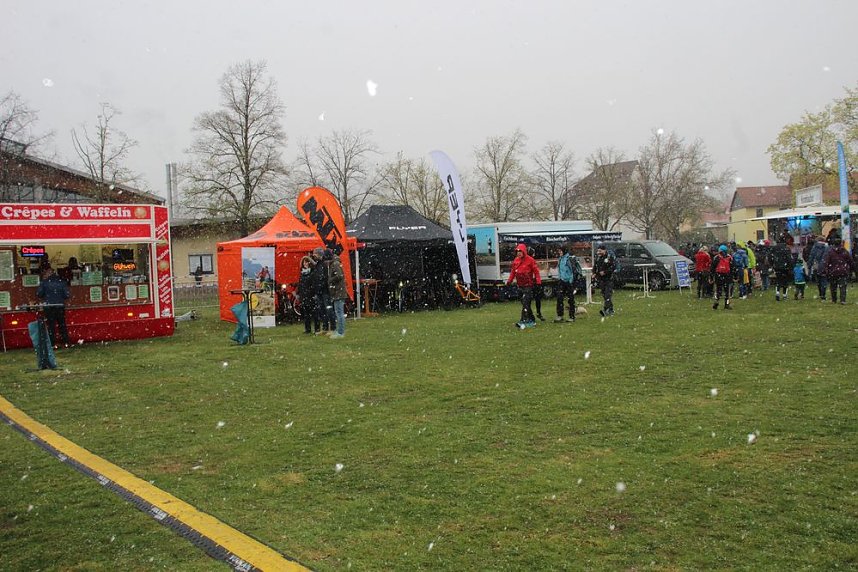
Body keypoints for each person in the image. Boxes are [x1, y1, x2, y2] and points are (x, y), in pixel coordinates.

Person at [506, 243, 541, 328]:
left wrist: (538, 281)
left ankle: (523, 320)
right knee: (525, 303)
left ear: (524, 251)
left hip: (528, 285)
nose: (519, 253)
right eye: (517, 251)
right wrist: (509, 281)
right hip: (520, 285)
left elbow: (536, 271)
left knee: (525, 302)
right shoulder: (516, 260)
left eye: (520, 251)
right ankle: (531, 318)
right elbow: (513, 272)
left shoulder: (530, 260)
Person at [36, 267, 71, 348]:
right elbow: (67, 295)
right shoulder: (62, 282)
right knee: (62, 325)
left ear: (48, 274)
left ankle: (52, 343)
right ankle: (66, 342)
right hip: (59, 306)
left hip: (49, 306)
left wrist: (47, 295)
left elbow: (39, 294)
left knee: (51, 326)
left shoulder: (44, 283)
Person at [554, 244, 580, 322]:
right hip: (561, 281)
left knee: (570, 299)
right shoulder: (560, 259)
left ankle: (571, 316)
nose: (559, 252)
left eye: (560, 251)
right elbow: (560, 269)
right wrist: (560, 278)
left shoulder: (569, 259)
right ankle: (560, 315)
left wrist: (571, 281)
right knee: (559, 298)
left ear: (564, 251)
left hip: (569, 282)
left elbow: (573, 271)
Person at [821, 238, 852, 304]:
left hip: (833, 271)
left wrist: (826, 270)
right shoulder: (844, 251)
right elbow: (850, 260)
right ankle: (842, 300)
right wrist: (849, 268)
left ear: (833, 244)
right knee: (843, 286)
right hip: (843, 271)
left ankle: (834, 299)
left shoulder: (830, 252)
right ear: (841, 243)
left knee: (833, 286)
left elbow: (826, 261)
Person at [327, 251, 349, 338]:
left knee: (339, 313)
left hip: (338, 292)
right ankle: (339, 330)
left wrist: (330, 280)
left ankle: (340, 332)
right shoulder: (335, 263)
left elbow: (339, 276)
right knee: (339, 312)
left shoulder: (335, 264)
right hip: (337, 292)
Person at [310, 247, 331, 333]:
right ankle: (324, 326)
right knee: (321, 310)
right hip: (319, 291)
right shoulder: (318, 265)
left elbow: (324, 278)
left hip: (324, 291)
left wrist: (320, 286)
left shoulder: (324, 265)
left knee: (325, 309)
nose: (314, 256)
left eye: (315, 254)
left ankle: (326, 326)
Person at [593, 243, 616, 317]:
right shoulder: (597, 257)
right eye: (598, 251)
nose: (599, 252)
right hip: (601, 279)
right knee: (604, 295)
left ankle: (605, 310)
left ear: (604, 250)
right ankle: (610, 309)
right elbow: (595, 266)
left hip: (609, 279)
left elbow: (612, 267)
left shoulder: (609, 257)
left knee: (607, 295)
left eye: (600, 251)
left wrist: (605, 272)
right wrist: (594, 273)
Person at [709, 245, 734, 310]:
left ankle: (716, 304)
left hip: (718, 276)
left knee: (718, 291)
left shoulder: (716, 257)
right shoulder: (729, 257)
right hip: (727, 276)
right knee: (727, 292)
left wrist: (711, 277)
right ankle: (727, 304)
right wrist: (733, 277)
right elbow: (732, 268)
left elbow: (712, 268)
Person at [297, 255, 318, 334]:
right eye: (304, 262)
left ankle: (317, 329)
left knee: (314, 313)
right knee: (306, 314)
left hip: (311, 295)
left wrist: (314, 293)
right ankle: (307, 329)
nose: (305, 264)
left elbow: (314, 284)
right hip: (304, 296)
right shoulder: (302, 273)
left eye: (306, 262)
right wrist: (298, 293)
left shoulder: (312, 273)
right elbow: (300, 284)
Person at [806, 235, 830, 300]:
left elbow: (812, 256)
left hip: (816, 266)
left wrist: (809, 265)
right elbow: (829, 256)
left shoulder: (815, 247)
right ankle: (823, 293)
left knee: (818, 280)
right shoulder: (827, 247)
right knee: (824, 280)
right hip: (825, 266)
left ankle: (820, 293)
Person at [527, 247, 545, 321]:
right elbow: (536, 272)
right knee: (537, 299)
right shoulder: (532, 261)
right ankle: (538, 313)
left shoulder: (528, 261)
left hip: (530, 282)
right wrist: (538, 282)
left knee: (528, 300)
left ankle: (531, 314)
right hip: (533, 282)